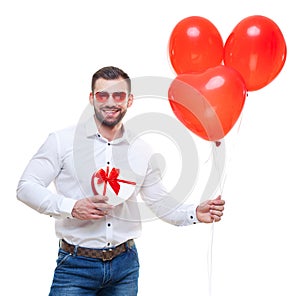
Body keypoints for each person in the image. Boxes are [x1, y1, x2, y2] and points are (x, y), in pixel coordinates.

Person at [17, 66, 225, 296]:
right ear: (91, 98)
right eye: (102, 95)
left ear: (129, 100)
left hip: (125, 266)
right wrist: (72, 207)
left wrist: (195, 212)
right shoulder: (62, 141)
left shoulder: (142, 150)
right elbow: (26, 186)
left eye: (118, 95)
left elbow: (159, 202)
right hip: (75, 266)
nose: (110, 102)